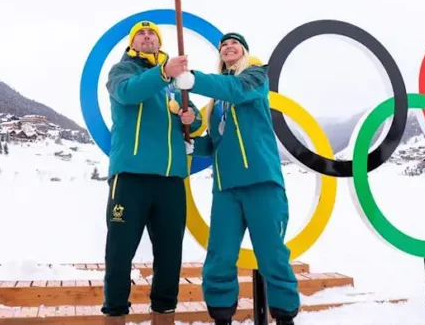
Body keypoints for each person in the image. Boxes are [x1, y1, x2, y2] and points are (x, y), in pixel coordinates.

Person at [174, 32, 300, 325]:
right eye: (223, 46)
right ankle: (221, 317)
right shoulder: (217, 103)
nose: (228, 47)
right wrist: (194, 145)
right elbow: (217, 143)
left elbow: (238, 90)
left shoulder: (255, 77)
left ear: (243, 52)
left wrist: (195, 79)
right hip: (226, 189)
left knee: (272, 256)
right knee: (219, 258)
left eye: (234, 44)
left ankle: (284, 318)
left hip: (261, 183)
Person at [102, 20, 205, 325]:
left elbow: (197, 123)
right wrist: (163, 73)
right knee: (120, 253)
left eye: (152, 34)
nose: (147, 38)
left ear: (159, 43)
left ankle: (164, 315)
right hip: (131, 176)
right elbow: (129, 94)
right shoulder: (122, 71)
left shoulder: (176, 82)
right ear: (132, 44)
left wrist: (191, 117)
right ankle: (115, 314)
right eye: (140, 34)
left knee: (170, 255)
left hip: (171, 179)